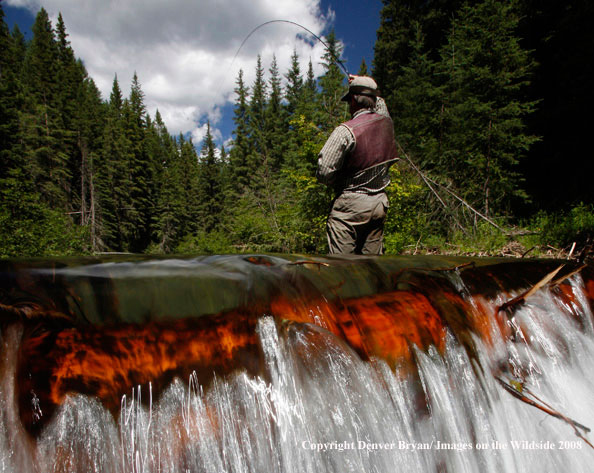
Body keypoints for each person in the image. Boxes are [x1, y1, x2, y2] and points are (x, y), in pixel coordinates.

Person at [316, 75, 398, 255]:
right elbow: (380, 104)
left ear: (353, 100)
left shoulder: (345, 131)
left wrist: (336, 183)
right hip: (379, 205)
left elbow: (323, 171)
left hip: (349, 209)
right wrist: (365, 81)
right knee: (372, 269)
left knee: (343, 270)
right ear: (374, 99)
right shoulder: (387, 123)